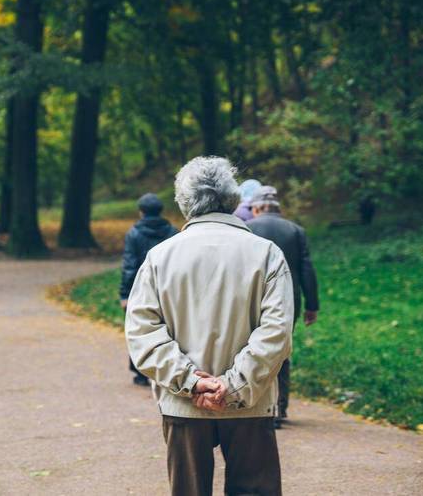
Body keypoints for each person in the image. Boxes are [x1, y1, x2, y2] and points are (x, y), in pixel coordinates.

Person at [125, 156, 293, 496]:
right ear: (233, 200)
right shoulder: (266, 254)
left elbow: (142, 331)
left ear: (184, 203)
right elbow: (276, 332)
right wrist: (233, 384)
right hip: (251, 403)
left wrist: (190, 381)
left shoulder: (160, 257)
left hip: (183, 404)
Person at [247, 185, 319, 427]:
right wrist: (312, 305)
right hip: (288, 300)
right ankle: (279, 407)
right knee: (281, 350)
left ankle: (254, 404)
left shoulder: (247, 228)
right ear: (279, 208)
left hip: (253, 297)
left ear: (256, 208)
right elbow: (306, 269)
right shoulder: (296, 230)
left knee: (251, 347)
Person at [119, 193, 177, 386]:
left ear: (141, 211)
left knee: (141, 328)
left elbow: (129, 265)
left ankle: (141, 371)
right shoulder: (173, 232)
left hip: (141, 289)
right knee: (167, 329)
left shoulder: (133, 234)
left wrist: (125, 294)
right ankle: (165, 369)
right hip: (168, 288)